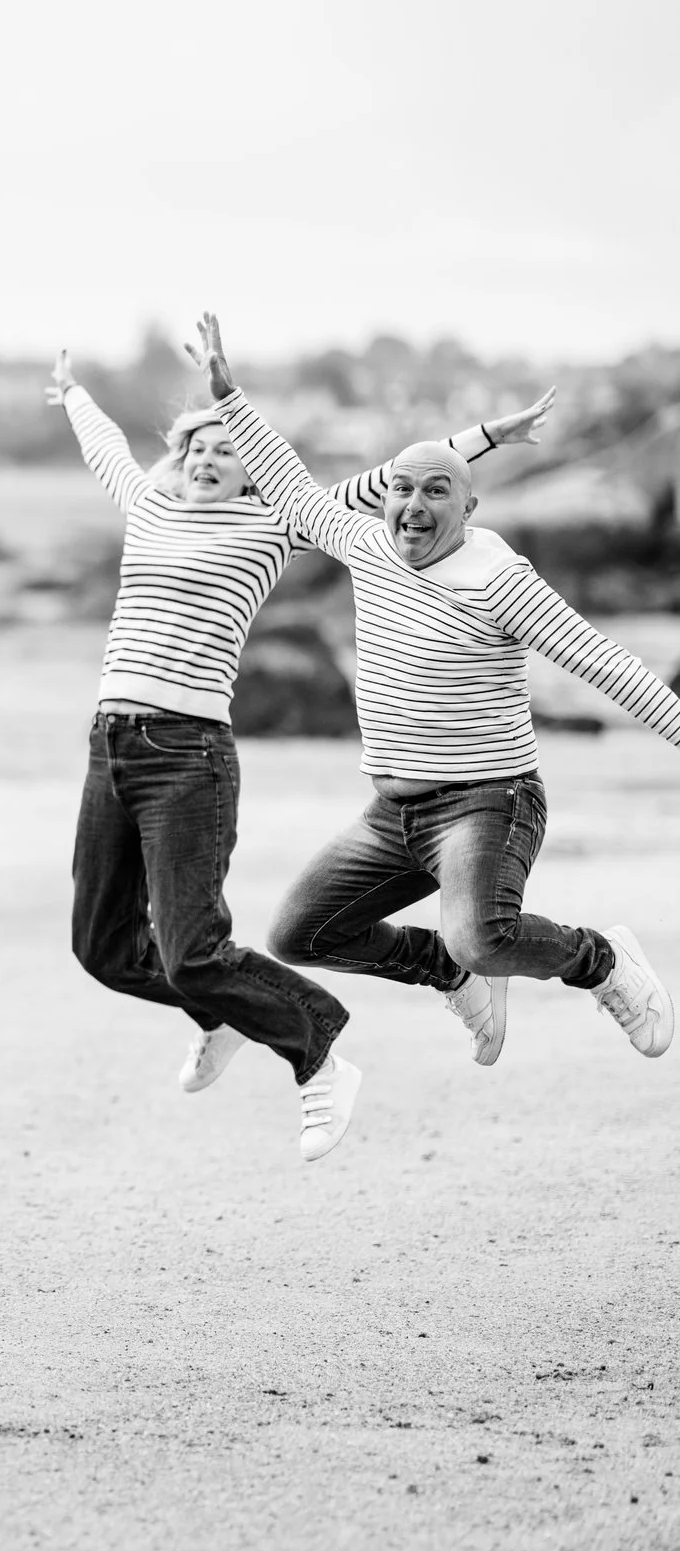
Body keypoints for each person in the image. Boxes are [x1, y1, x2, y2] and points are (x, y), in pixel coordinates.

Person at [49, 350, 553, 1160]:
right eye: (196, 449)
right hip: (109, 745)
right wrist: (72, 392)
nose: (208, 460)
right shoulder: (147, 501)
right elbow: (103, 443)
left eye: (227, 450)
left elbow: (391, 479)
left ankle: (315, 1051)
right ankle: (220, 1011)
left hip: (188, 757)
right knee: (102, 949)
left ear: (254, 471)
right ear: (178, 459)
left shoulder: (276, 519)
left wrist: (489, 433)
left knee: (195, 949)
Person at [187, 312, 679, 1079]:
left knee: (483, 933)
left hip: (488, 801)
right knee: (298, 933)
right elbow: (289, 487)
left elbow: (601, 660)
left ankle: (603, 959)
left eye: (437, 491)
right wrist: (229, 397)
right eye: (403, 489)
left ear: (469, 508)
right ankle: (452, 977)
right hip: (394, 814)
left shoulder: (497, 580)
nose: (414, 505)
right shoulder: (366, 543)